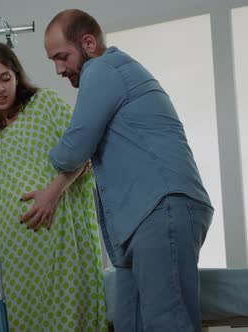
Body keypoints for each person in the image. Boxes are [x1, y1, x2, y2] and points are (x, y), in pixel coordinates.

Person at [44, 9, 213, 332]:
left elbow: (75, 148)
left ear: (89, 43)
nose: (58, 69)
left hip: (160, 206)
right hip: (139, 220)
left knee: (168, 323)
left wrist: (44, 154)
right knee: (128, 322)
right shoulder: (115, 73)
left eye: (62, 57)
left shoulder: (103, 69)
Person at [0, 42, 106, 332]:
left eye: (5, 78)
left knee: (67, 320)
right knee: (23, 322)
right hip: (12, 257)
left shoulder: (46, 105)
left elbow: (84, 152)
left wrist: (52, 194)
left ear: (17, 76)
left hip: (61, 242)